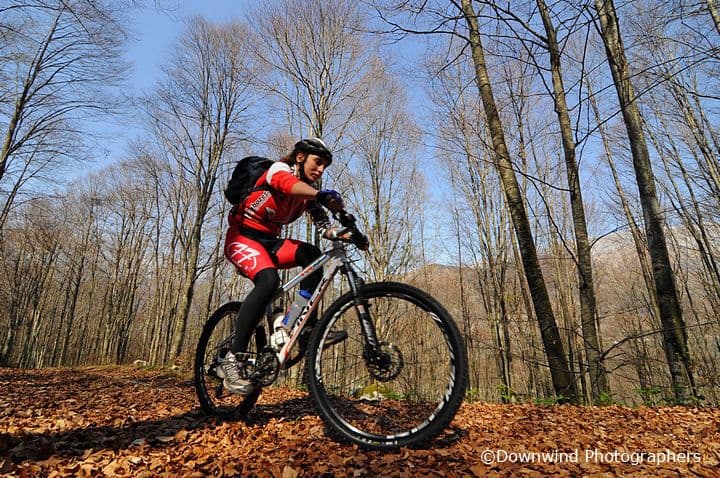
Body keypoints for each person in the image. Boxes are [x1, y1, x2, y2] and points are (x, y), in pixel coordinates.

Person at [217, 138, 348, 395]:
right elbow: (284, 184)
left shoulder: (306, 194)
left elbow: (325, 229)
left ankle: (299, 326)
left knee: (313, 257)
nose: (321, 170)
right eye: (318, 162)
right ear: (300, 157)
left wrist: (347, 232)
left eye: (325, 167)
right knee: (268, 281)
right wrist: (321, 195)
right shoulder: (280, 170)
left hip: (269, 243)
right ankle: (230, 360)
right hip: (242, 237)